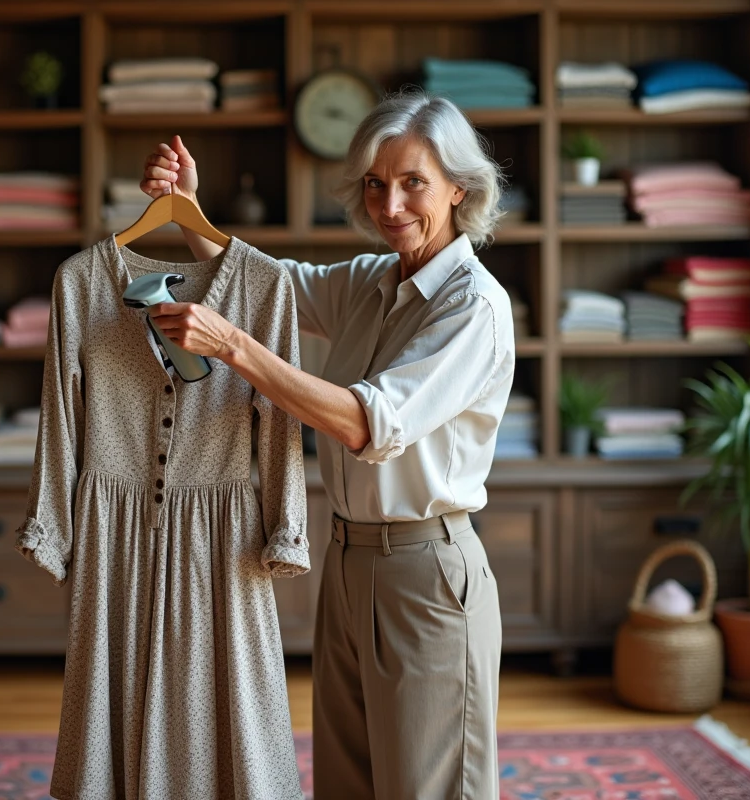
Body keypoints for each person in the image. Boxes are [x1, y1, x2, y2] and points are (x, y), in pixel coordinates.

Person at [138, 89, 514, 799]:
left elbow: (364, 422)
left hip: (427, 577)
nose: (390, 206)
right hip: (345, 565)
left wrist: (235, 349)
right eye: (376, 184)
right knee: (347, 781)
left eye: (413, 184)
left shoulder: (475, 307)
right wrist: (191, 213)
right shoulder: (373, 281)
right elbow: (272, 285)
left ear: (459, 189)